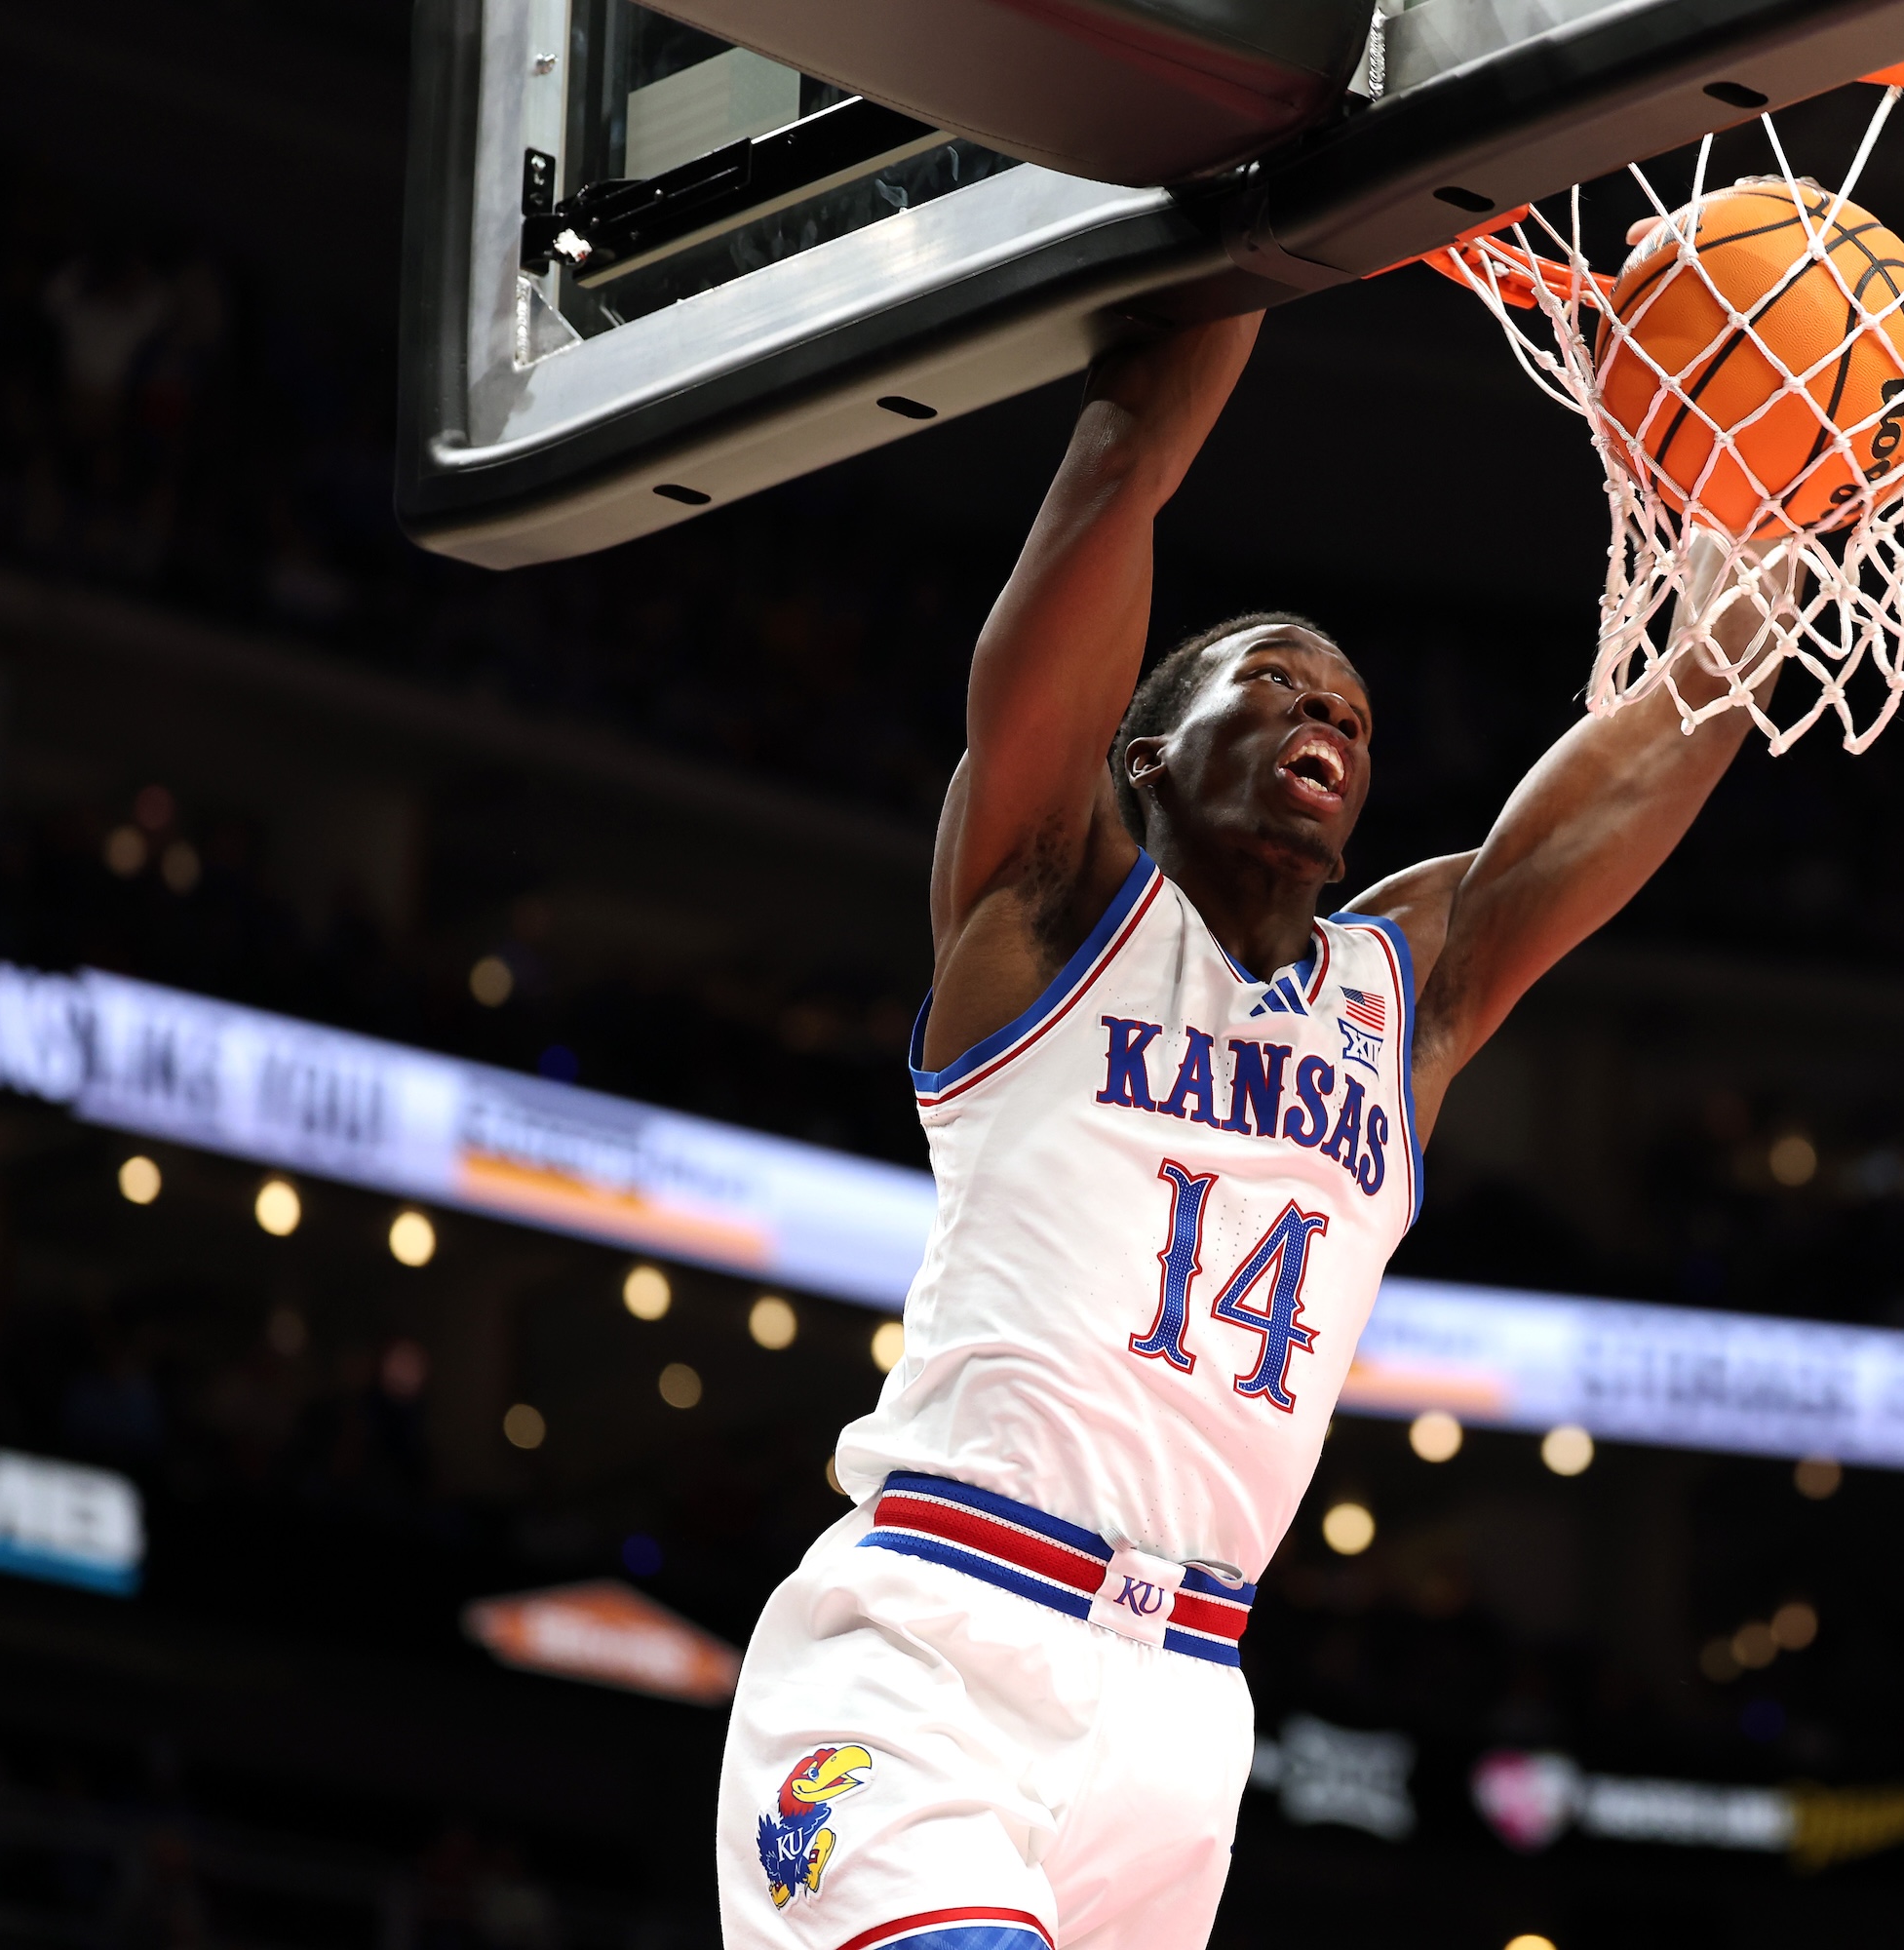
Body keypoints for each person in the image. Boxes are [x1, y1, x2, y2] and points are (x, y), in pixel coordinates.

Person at [718, 314, 1779, 1950]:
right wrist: (1256, 239)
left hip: (1189, 1707)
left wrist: (1765, 550)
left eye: (1351, 710)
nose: (1328, 715)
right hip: (942, 1638)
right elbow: (1113, 482)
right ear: (1147, 753)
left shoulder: (1402, 995)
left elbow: (1629, 772)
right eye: (1276, 680)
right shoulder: (1050, 909)